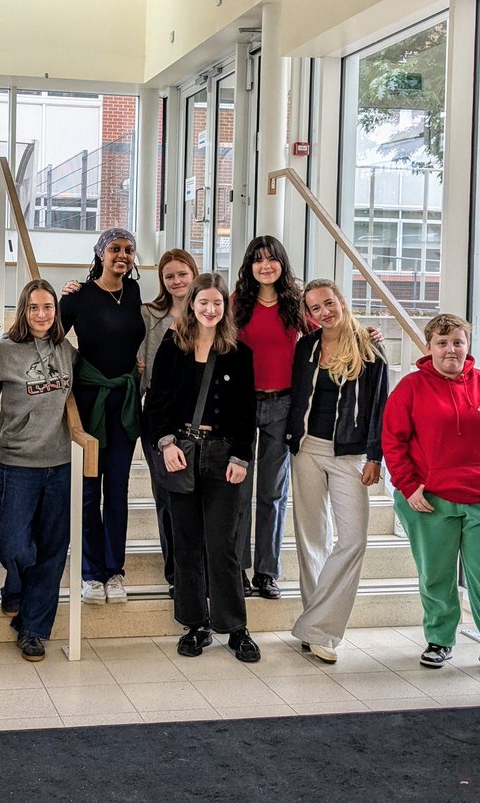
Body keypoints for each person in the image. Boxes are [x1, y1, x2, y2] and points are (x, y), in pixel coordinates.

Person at [382, 313, 480, 681]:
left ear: (468, 346)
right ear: (429, 347)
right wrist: (407, 485)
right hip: (429, 501)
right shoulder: (410, 388)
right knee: (436, 575)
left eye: (457, 342)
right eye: (442, 343)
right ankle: (439, 639)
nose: (450, 349)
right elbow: (393, 441)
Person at [145, 273, 260, 663]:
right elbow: (156, 402)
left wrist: (241, 457)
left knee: (223, 545)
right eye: (203, 302)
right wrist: (165, 444)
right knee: (187, 544)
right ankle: (195, 625)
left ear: (225, 306)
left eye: (217, 303)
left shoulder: (239, 353)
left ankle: (236, 628)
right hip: (180, 453)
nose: (210, 309)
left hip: (223, 457)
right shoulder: (172, 346)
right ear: (191, 304)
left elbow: (246, 412)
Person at [285, 278, 388, 664]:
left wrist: (376, 456)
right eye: (315, 308)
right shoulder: (307, 346)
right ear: (309, 314)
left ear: (342, 301)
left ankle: (317, 625)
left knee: (353, 540)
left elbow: (380, 405)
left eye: (329, 303)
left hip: (350, 456)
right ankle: (319, 631)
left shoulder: (369, 346)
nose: (324, 312)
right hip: (307, 450)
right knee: (311, 538)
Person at [0, 279, 78, 662]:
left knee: (52, 549)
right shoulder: (3, 352)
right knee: (14, 543)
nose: (42, 314)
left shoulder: (66, 350)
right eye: (34, 307)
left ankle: (33, 629)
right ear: (23, 310)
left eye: (48, 307)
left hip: (60, 463)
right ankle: (15, 584)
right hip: (18, 463)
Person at [59, 228, 146, 605]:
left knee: (118, 490)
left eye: (128, 250)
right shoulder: (77, 296)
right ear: (100, 253)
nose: (122, 255)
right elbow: (49, 338)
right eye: (114, 249)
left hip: (124, 404)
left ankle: (115, 571)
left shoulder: (134, 292)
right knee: (89, 490)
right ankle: (91, 573)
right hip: (89, 403)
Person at [232, 236, 312, 601]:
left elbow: (328, 331)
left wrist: (367, 335)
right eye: (258, 259)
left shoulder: (295, 303)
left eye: (271, 259)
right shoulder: (238, 302)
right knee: (238, 489)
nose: (265, 266)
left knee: (273, 493)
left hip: (283, 405)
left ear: (282, 263)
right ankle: (237, 567)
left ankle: (267, 572)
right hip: (242, 404)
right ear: (249, 266)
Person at [138, 249, 196, 596]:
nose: (176, 281)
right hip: (159, 414)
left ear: (194, 273)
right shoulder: (150, 314)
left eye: (182, 274)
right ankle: (176, 571)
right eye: (169, 276)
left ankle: (199, 569)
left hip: (200, 419)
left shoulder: (209, 310)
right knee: (167, 497)